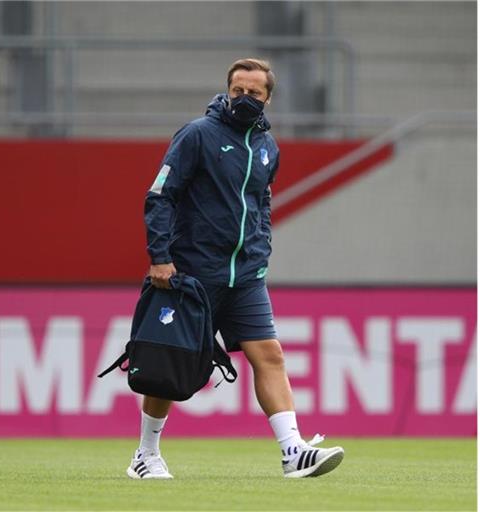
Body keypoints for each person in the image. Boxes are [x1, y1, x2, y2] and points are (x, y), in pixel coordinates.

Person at [129, 58, 345, 480]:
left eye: (254, 94)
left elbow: (261, 201)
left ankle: (292, 452)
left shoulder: (268, 147)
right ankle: (145, 455)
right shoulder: (197, 135)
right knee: (168, 364)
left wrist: (261, 246)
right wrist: (160, 256)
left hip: (245, 275)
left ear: (268, 98)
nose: (244, 99)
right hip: (192, 273)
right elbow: (160, 196)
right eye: (238, 91)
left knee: (270, 354)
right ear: (227, 91)